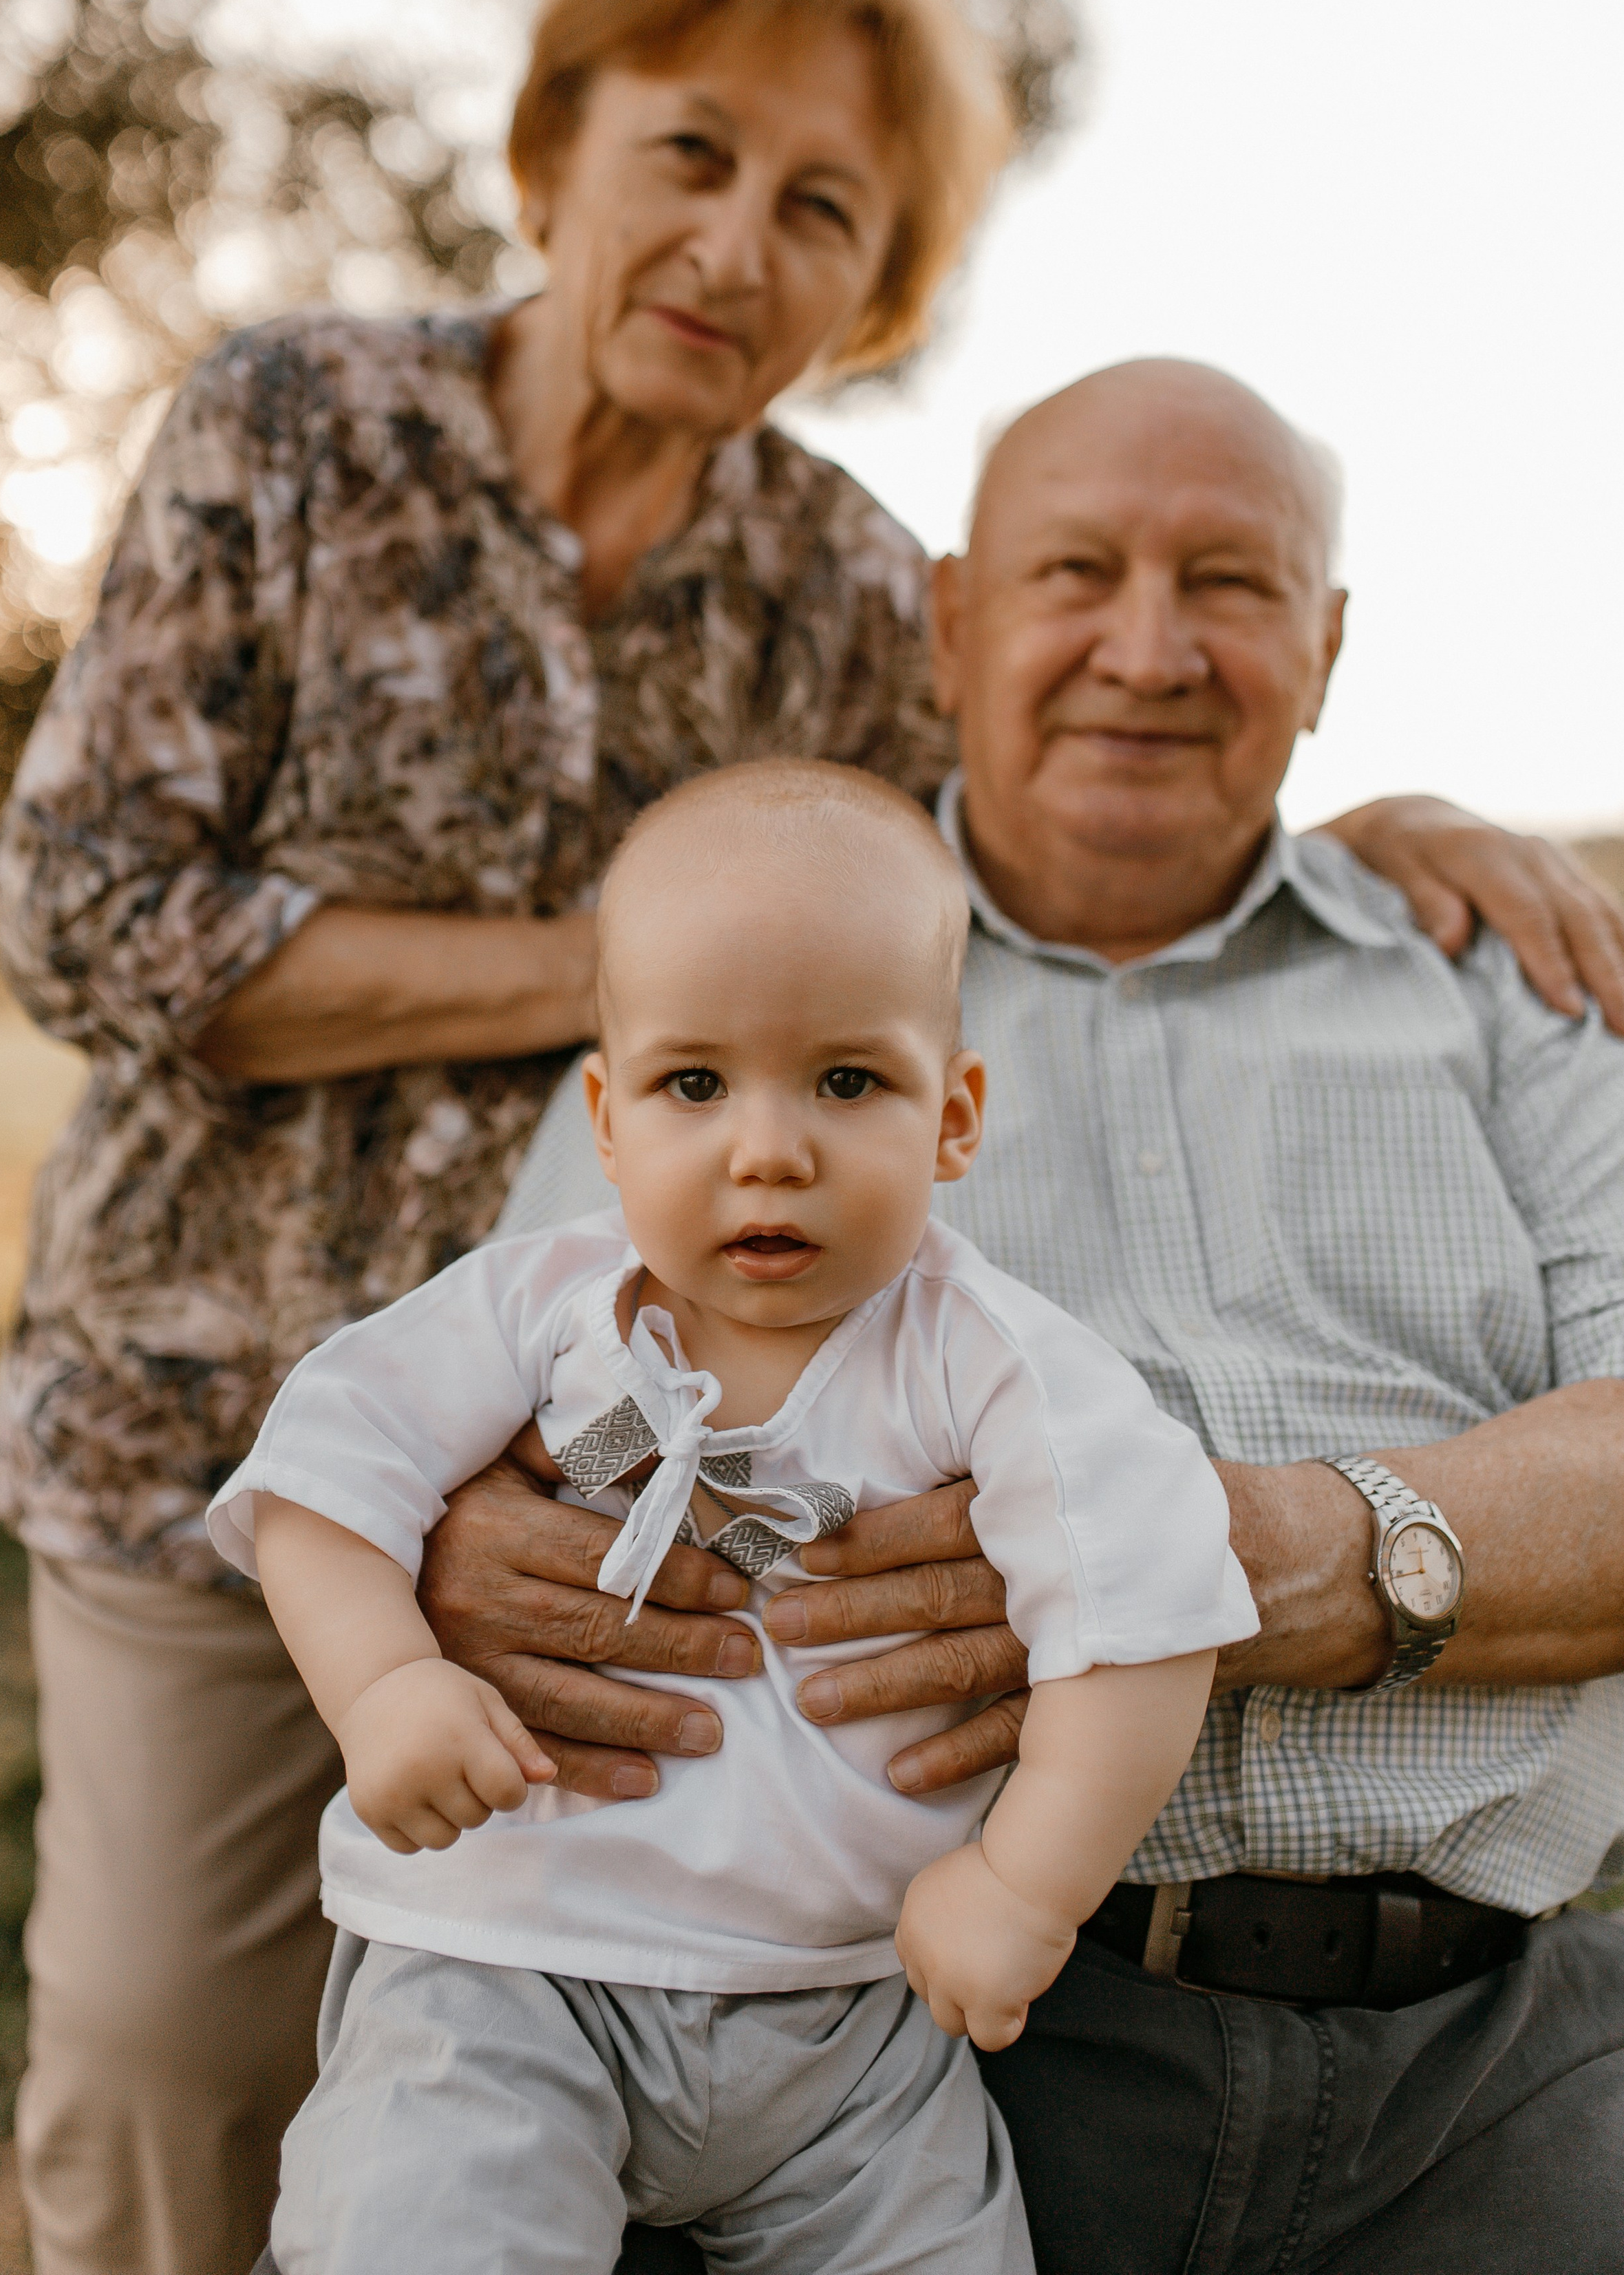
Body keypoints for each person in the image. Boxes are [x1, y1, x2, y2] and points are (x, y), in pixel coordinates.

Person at [0, 0, 1624, 2269]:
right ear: (554, 153)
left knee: (505, 2050)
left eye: (825, 208)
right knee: (180, 2062)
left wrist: (1381, 836)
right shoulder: (303, 425)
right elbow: (87, 914)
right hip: (235, 1390)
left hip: (683, 1416)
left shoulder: (850, 583)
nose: (738, 244)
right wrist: (617, 991)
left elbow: (1099, 764)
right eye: (692, 152)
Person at [480, 359, 1624, 2273]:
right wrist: (472, 1542)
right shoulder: (745, 992)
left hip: (1500, 2067)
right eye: (1075, 571)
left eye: (1230, 584)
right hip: (880, 2051)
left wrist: (1251, 1558)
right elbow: (510, 1433)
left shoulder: (1519, 983)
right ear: (951, 624)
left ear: (1328, 647)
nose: (1147, 651)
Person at [212, 760, 1255, 2272]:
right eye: (695, 1085)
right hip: (502, 1968)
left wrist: (1026, 1883)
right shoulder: (544, 1308)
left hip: (846, 2030)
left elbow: (1147, 1607)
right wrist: (383, 1683)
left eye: (847, 1082)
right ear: (608, 1117)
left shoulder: (987, 1364)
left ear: (954, 1114)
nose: (769, 1149)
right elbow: (324, 1472)